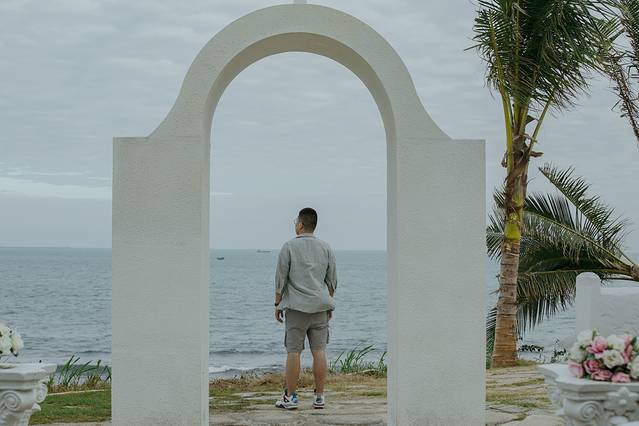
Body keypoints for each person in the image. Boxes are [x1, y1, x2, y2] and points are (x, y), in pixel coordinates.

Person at [274, 207, 337, 410]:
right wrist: (328, 303)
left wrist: (277, 303)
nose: (295, 225)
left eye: (296, 222)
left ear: (300, 224)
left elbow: (280, 278)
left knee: (294, 352)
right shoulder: (326, 247)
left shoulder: (289, 247)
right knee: (319, 351)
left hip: (296, 308)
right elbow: (332, 281)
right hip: (320, 307)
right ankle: (319, 397)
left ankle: (290, 398)